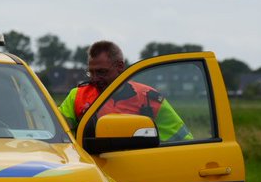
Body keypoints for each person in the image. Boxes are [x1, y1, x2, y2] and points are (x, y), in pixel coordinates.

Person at [57, 40, 190, 142]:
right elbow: (56, 133)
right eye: (91, 73)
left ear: (120, 66)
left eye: (102, 72)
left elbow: (184, 141)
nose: (95, 79)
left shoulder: (148, 98)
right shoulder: (77, 96)